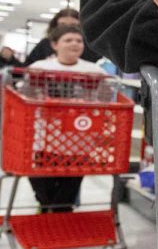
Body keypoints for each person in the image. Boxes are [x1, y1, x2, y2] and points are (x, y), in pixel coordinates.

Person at [27, 24, 108, 213]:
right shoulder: (40, 67)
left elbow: (106, 99)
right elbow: (26, 97)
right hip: (44, 137)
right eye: (68, 40)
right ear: (55, 44)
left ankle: (59, 216)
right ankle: (48, 208)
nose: (75, 44)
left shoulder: (95, 71)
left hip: (78, 137)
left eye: (79, 41)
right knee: (40, 179)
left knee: (70, 183)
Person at [23, 8, 100, 67]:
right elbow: (28, 65)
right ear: (54, 45)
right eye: (62, 25)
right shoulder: (45, 44)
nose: (68, 28)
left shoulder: (89, 45)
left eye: (73, 25)